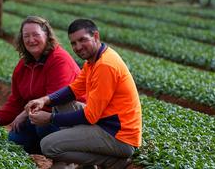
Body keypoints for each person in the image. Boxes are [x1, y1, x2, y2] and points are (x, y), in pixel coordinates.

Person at [26, 19, 141, 169]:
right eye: (73, 43)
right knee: (61, 103)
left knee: (48, 145)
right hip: (106, 125)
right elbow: (73, 90)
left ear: (96, 36)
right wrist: (45, 100)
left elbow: (90, 116)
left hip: (119, 136)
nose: (78, 47)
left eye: (82, 40)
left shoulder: (105, 66)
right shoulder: (93, 61)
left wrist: (50, 118)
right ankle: (88, 165)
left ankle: (113, 162)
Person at [0, 16, 84, 155]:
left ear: (47, 36)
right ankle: (50, 151)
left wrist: (24, 114)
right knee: (16, 138)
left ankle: (69, 158)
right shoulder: (24, 65)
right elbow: (16, 100)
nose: (31, 40)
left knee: (41, 124)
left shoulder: (59, 60)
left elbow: (56, 99)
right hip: (40, 114)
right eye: (26, 36)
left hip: (73, 118)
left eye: (36, 35)